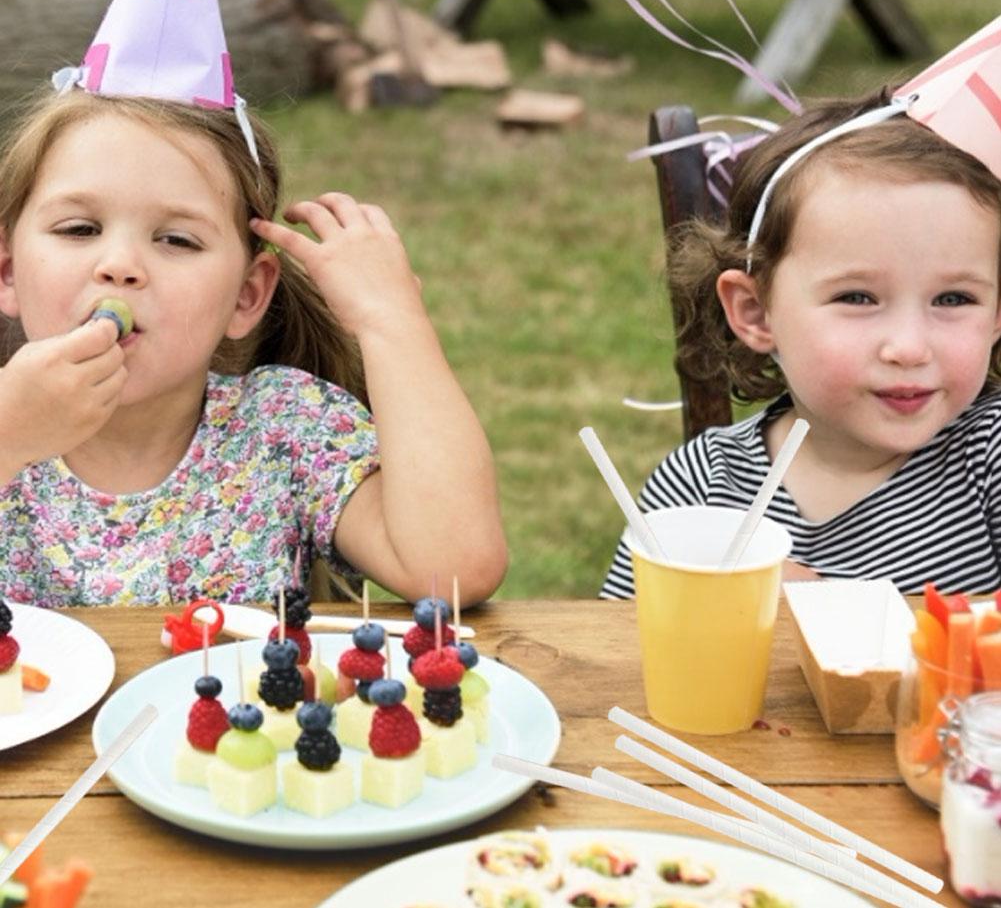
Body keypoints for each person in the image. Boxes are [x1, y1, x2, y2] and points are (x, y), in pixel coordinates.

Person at [0, 90, 507, 606]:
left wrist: (391, 320)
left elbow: (454, 568)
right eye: (80, 229)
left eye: (177, 240)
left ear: (247, 295)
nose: (120, 265)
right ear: (8, 269)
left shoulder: (284, 426)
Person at [602, 87, 1001, 599]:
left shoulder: (989, 456)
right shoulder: (701, 484)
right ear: (755, 311)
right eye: (857, 297)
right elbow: (620, 639)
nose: (909, 348)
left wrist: (835, 611)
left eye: (953, 299)